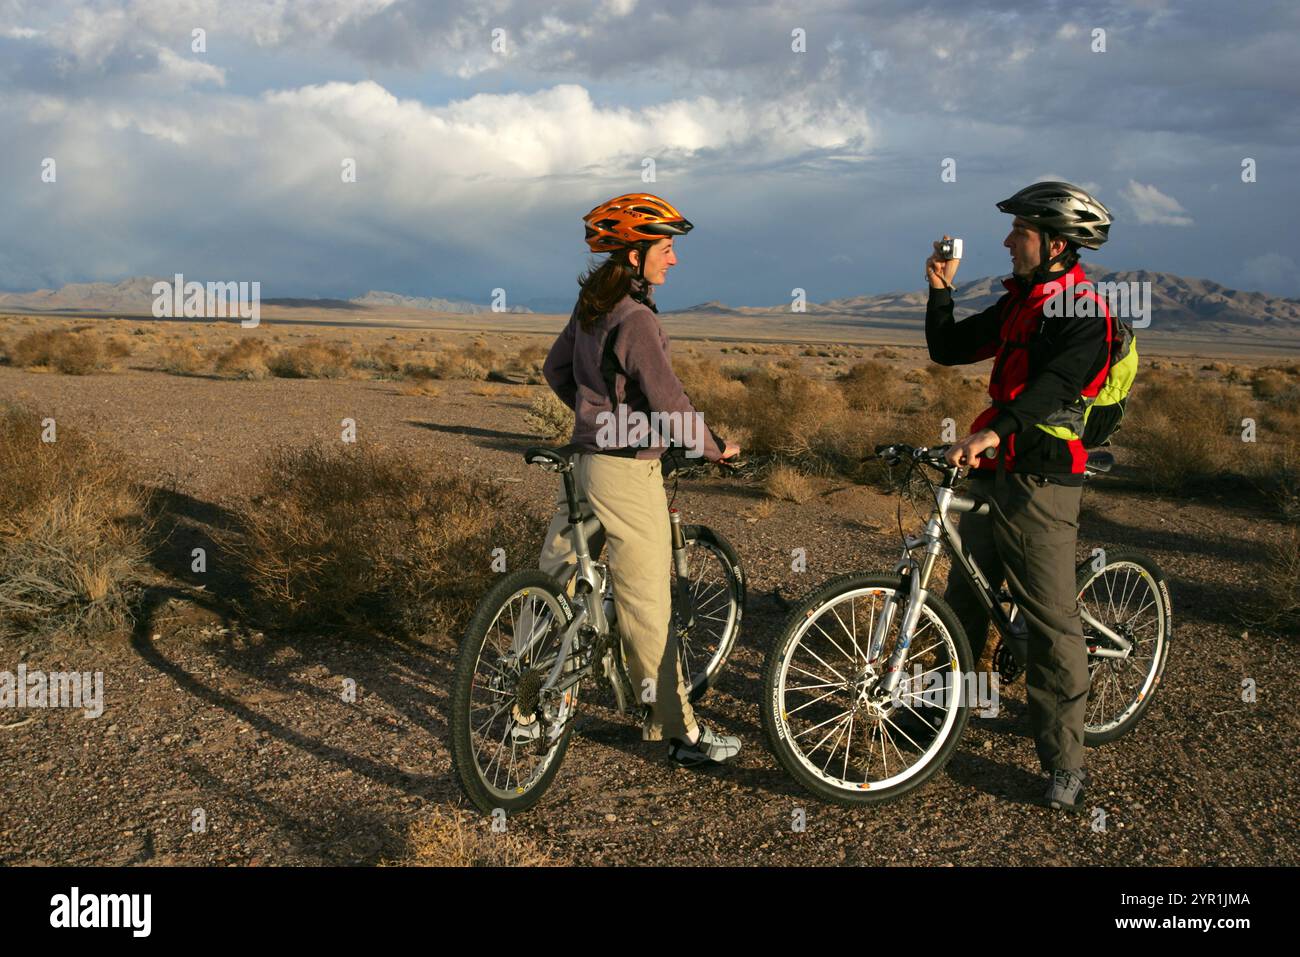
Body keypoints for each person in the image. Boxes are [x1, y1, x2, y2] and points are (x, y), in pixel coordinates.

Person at [924, 181, 1115, 812]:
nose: (1008, 242)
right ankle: (943, 719)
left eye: (1020, 233)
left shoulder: (1086, 311)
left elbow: (1058, 389)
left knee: (1049, 617)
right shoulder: (1022, 303)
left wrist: (992, 430)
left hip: (1043, 476)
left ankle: (1066, 761)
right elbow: (948, 349)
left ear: (1055, 244)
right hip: (995, 465)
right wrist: (941, 289)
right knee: (965, 597)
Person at [537, 192, 742, 768]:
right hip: (626, 473)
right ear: (634, 253)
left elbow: (556, 370)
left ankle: (527, 710)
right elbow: (670, 400)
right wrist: (714, 448)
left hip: (581, 463)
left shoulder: (592, 306)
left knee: (553, 581)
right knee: (647, 605)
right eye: (667, 247)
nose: (673, 259)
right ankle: (679, 733)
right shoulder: (637, 318)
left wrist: (592, 417)